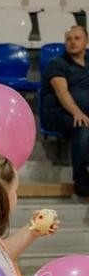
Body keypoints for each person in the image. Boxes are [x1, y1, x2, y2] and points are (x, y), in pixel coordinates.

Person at [41, 23, 89, 197]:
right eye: (69, 39)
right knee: (83, 128)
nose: (72, 42)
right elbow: (62, 93)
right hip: (60, 113)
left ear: (86, 41)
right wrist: (77, 112)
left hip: (84, 113)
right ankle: (81, 182)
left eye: (77, 38)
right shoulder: (57, 64)